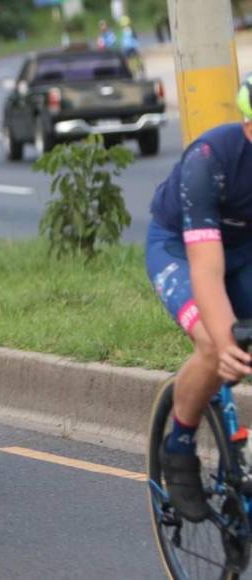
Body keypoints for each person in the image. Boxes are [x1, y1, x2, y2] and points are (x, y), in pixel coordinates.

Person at [146, 77, 252, 522]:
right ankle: (180, 446)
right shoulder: (210, 159)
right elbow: (206, 268)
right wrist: (229, 341)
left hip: (244, 251)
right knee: (215, 343)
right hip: (179, 247)